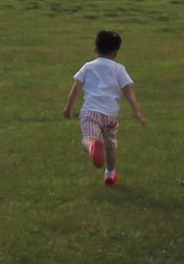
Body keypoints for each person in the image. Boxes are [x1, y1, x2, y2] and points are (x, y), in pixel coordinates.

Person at [62, 28, 147, 186]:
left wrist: (68, 108)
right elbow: (128, 92)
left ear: (95, 49)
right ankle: (110, 174)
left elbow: (76, 89)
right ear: (116, 53)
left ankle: (92, 147)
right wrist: (137, 113)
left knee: (88, 138)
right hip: (111, 115)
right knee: (110, 145)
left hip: (90, 111)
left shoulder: (87, 66)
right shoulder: (119, 69)